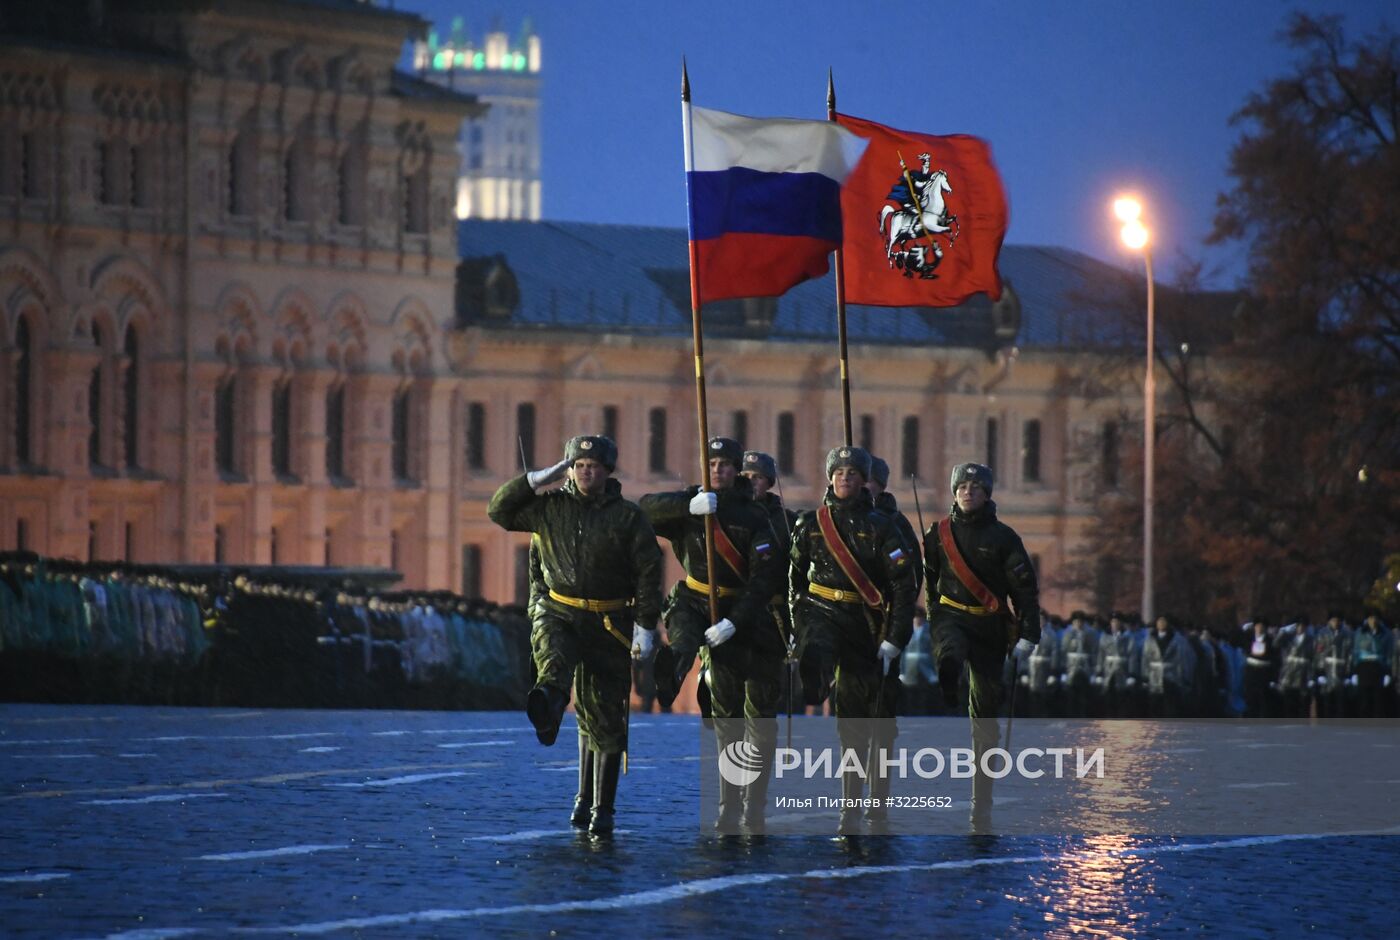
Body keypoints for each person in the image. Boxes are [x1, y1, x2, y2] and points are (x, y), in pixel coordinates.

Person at [487, 434, 663, 839]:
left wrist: (646, 625)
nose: (586, 472)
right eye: (579, 465)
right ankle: (546, 703)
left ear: (607, 471)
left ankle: (600, 806)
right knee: (553, 660)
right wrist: (534, 479)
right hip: (559, 612)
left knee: (603, 714)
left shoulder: (627, 518)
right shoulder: (549, 508)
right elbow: (499, 510)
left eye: (594, 466)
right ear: (569, 469)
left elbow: (649, 572)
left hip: (609, 622)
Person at [641, 437, 784, 837]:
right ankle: (727, 805)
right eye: (712, 462)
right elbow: (642, 511)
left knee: (757, 724)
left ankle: (753, 807)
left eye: (725, 464)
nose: (718, 470)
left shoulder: (755, 517)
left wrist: (735, 622)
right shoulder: (692, 504)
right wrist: (686, 506)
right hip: (697, 603)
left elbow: (764, 580)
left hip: (748, 623)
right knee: (727, 723)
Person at [789, 445, 915, 837]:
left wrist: (894, 639)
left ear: (867, 482)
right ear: (829, 477)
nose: (845, 478)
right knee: (847, 720)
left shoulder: (886, 526)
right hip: (822, 613)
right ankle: (815, 672)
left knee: (870, 722)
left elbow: (905, 585)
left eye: (854, 473)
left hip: (868, 626)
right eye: (838, 471)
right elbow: (793, 575)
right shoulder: (812, 523)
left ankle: (872, 804)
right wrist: (795, 623)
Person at [922, 462, 1040, 832]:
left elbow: (1024, 591)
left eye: (975, 486)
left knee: (985, 714)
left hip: (988, 626)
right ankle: (948, 677)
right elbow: (929, 580)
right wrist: (933, 616)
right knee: (951, 650)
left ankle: (981, 798)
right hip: (951, 617)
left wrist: (1028, 636)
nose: (968, 492)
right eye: (962, 486)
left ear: (987, 493)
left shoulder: (1005, 538)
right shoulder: (937, 534)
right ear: (954, 492)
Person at [742, 450, 801, 721]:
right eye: (745, 476)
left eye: (758, 477)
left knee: (762, 696)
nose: (752, 481)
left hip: (770, 617)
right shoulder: (722, 514)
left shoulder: (786, 521)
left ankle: (758, 760)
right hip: (731, 613)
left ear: (769, 482)